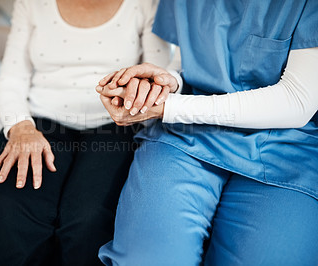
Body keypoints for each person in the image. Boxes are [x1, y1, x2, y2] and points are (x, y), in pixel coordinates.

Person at [96, 0, 318, 265]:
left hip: (285, 147)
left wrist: (171, 106)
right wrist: (167, 83)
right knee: (144, 258)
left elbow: (297, 100)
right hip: (187, 135)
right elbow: (188, 58)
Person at [0, 0, 171, 265]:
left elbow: (158, 77)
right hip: (38, 124)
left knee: (88, 221)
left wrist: (133, 95)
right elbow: (11, 79)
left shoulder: (146, 4)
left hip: (115, 124)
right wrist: (21, 127)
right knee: (8, 217)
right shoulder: (31, 3)